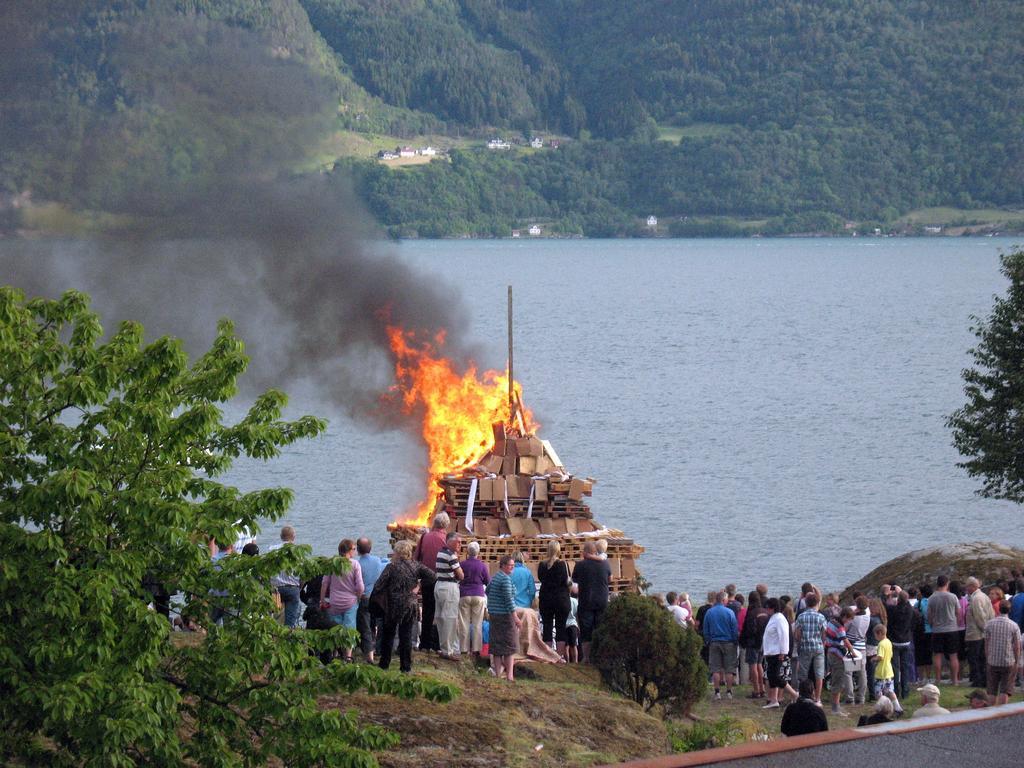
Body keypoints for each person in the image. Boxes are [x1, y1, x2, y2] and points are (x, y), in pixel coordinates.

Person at [376, 540, 435, 674]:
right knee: (406, 636)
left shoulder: (391, 567)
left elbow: (379, 585)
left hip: (393, 605)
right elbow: (433, 576)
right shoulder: (416, 566)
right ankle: (405, 667)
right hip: (410, 605)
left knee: (388, 635)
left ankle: (384, 664)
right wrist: (418, 586)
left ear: (397, 552)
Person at [320, 539, 363, 661]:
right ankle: (348, 656)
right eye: (354, 549)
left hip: (334, 602)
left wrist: (322, 600)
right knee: (349, 628)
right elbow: (360, 586)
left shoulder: (332, 563)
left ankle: (335, 654)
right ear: (349, 551)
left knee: (335, 628)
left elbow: (325, 583)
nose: (355, 551)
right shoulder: (354, 564)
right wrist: (358, 596)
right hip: (350, 602)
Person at [412, 512, 449, 652]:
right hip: (441, 580)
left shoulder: (425, 537)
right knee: (441, 612)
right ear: (446, 525)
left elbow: (416, 558)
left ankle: (424, 643)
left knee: (427, 611)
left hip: (426, 579)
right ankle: (438, 644)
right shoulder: (445, 539)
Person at [572, 540, 611, 663]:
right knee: (600, 627)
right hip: (602, 600)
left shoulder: (580, 565)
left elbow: (575, 579)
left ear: (586, 552)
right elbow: (610, 578)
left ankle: (587, 657)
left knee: (586, 630)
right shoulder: (606, 564)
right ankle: (600, 657)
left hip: (586, 600)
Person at [486, 555, 523, 681]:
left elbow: (488, 591)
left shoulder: (495, 577)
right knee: (509, 646)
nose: (512, 567)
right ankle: (509, 676)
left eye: (513, 565)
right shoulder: (506, 579)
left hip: (494, 615)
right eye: (510, 565)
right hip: (505, 616)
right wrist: (516, 617)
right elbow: (508, 599)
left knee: (496, 647)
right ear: (502, 565)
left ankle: (497, 674)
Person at [355, 537, 388, 663]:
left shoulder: (357, 564)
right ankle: (376, 648)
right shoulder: (377, 561)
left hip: (364, 599)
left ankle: (368, 655)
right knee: (376, 624)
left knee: (365, 626)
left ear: (358, 549)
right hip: (377, 599)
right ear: (370, 548)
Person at [537, 541, 572, 658]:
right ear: (558, 550)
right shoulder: (562, 564)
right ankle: (559, 656)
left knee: (547, 627)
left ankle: (548, 655)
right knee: (560, 627)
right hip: (560, 599)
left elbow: (541, 579)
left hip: (546, 599)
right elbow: (567, 582)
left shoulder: (542, 565)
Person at [983, 599, 1021, 705]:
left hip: (993, 660)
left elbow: (986, 643)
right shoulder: (1014, 626)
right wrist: (1016, 661)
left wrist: (988, 657)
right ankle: (1002, 714)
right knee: (1005, 690)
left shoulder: (989, 624)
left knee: (992, 690)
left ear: (999, 609)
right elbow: (1017, 646)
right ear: (1009, 610)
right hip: (1008, 661)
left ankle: (991, 712)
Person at [761, 597, 797, 709]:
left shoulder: (779, 619)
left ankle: (795, 694)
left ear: (771, 608)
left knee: (776, 677)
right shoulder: (774, 618)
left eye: (767, 608)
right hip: (771, 652)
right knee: (772, 677)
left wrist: (783, 652)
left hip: (777, 652)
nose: (766, 610)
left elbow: (784, 636)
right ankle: (774, 700)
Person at [702, 591, 739, 700]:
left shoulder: (709, 612)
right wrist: (734, 641)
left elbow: (706, 629)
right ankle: (729, 691)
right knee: (729, 668)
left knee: (715, 668)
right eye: (726, 599)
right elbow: (734, 629)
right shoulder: (729, 612)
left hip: (714, 642)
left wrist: (708, 640)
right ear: (723, 600)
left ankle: (717, 692)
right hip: (728, 642)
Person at [433, 532, 464, 659]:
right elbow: (461, 575)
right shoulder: (451, 556)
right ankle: (449, 650)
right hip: (449, 587)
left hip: (439, 584)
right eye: (458, 542)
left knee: (440, 617)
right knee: (450, 618)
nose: (460, 545)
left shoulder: (441, 552)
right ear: (450, 541)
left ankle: (444, 647)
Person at [457, 540, 489, 657]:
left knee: (464, 623)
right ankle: (476, 650)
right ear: (478, 552)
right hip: (478, 595)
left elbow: (458, 577)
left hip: (464, 594)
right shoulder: (482, 565)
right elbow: (487, 581)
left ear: (467, 552)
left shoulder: (462, 564)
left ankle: (464, 649)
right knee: (477, 623)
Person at [794, 592, 827, 705]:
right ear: (817, 603)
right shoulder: (821, 617)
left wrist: (801, 641)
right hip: (818, 647)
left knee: (803, 673)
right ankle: (817, 699)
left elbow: (797, 634)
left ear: (806, 603)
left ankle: (804, 696)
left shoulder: (801, 616)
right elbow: (824, 634)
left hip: (805, 646)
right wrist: (821, 643)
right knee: (819, 674)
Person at [927, 575, 961, 685]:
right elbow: (958, 612)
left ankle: (937, 679)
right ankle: (955, 680)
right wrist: (956, 622)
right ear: (947, 583)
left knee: (937, 655)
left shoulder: (932, 598)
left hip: (937, 629)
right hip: (952, 628)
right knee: (953, 655)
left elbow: (929, 615)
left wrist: (933, 624)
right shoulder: (952, 596)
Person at [269, 526, 302, 629]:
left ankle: (273, 640)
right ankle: (288, 640)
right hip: (293, 588)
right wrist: (299, 587)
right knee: (290, 623)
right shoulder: (299, 551)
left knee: (273, 620)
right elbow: (303, 573)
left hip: (275, 589)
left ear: (281, 536)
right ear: (294, 537)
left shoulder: (271, 549)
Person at [825, 607, 856, 717]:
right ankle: (835, 708)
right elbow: (845, 641)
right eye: (848, 620)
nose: (848, 622)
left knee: (835, 679)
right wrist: (853, 652)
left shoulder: (831, 622)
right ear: (844, 617)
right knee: (838, 681)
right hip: (837, 656)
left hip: (830, 652)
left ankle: (836, 706)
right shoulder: (840, 628)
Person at [965, 576, 995, 688]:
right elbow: (991, 613)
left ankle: (979, 681)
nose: (966, 588)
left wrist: (985, 629)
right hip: (982, 633)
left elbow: (979, 617)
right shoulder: (984, 596)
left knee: (975, 659)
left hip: (976, 634)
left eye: (967, 586)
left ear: (973, 586)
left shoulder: (976, 598)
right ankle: (983, 679)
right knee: (982, 658)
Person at [886, 589, 915, 698]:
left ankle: (896, 691)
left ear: (898, 599)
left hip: (894, 641)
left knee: (895, 668)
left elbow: (886, 606)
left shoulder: (893, 610)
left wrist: (888, 597)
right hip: (906, 641)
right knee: (905, 667)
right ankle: (905, 691)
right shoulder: (910, 610)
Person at [739, 591, 768, 699]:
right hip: (763, 642)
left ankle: (756, 690)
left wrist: (743, 640)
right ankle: (762, 688)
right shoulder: (765, 612)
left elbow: (749, 629)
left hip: (753, 642)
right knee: (760, 664)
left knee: (753, 665)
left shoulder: (751, 613)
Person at [871, 623, 903, 715]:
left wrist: (873, 658)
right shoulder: (888, 642)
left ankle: (881, 709)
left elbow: (880, 657)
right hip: (889, 671)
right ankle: (898, 708)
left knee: (878, 692)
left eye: (875, 635)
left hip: (881, 672)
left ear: (880, 633)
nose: (875, 637)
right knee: (890, 691)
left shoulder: (881, 644)